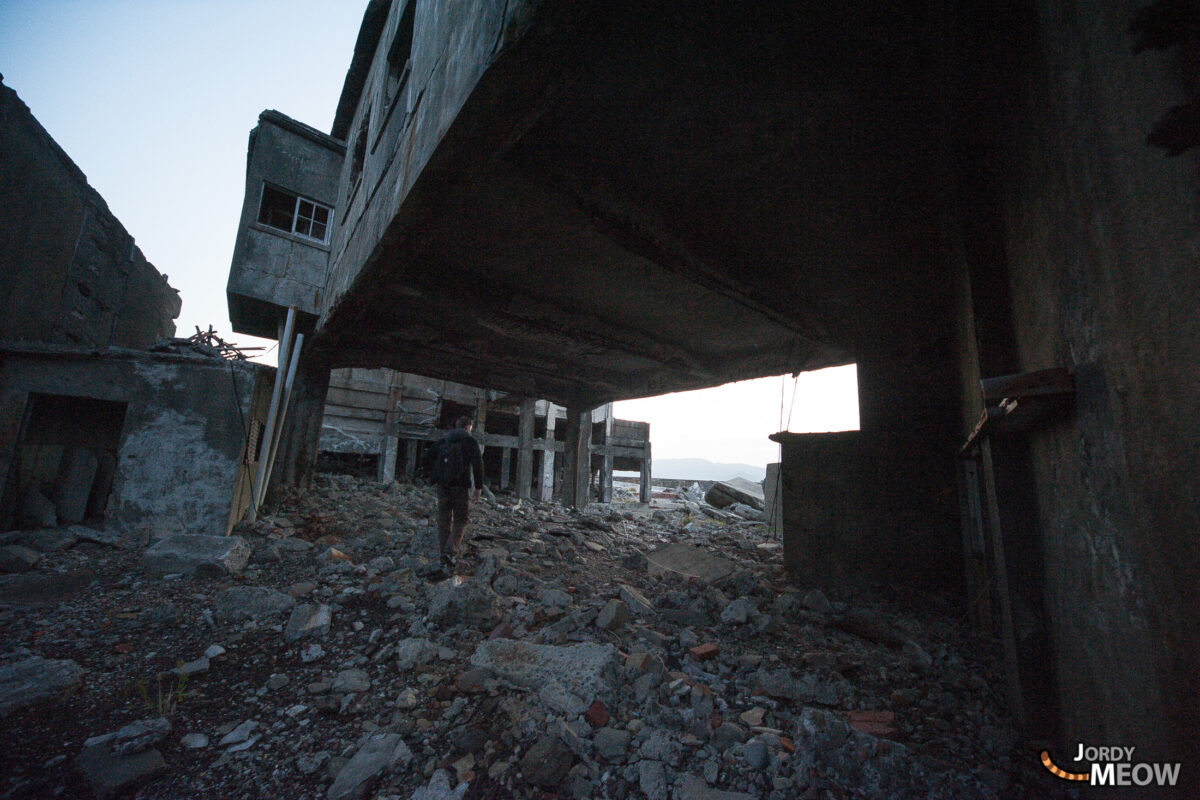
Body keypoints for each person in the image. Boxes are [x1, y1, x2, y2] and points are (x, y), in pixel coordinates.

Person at [425, 415, 484, 573]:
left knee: (444, 519)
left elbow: (428, 456)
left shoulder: (444, 440)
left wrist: (438, 472)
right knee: (461, 519)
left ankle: (443, 556)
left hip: (442, 485)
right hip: (459, 486)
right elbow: (478, 464)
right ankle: (450, 552)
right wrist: (478, 487)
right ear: (468, 427)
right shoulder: (469, 441)